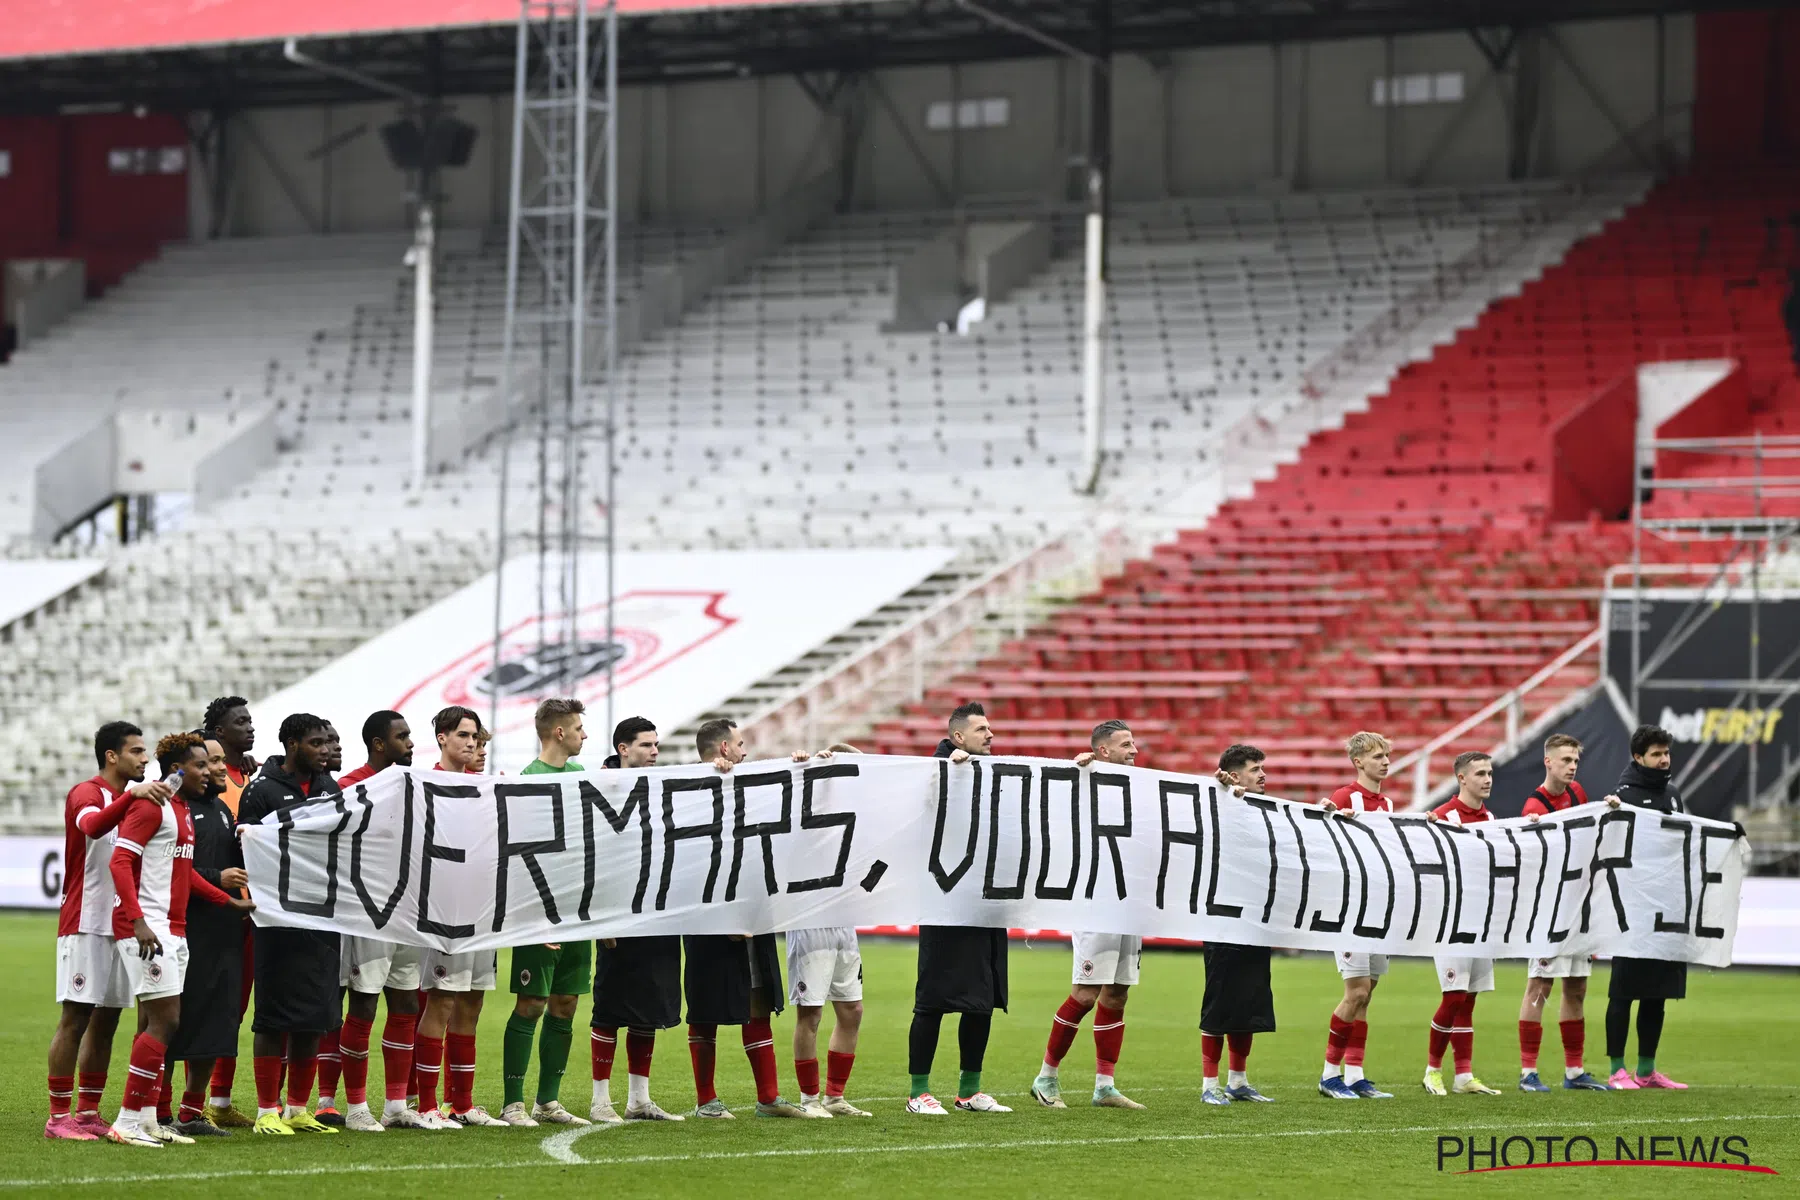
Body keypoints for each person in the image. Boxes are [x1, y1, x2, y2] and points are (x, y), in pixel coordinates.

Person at [106, 733, 252, 1147]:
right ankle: (127, 1121)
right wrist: (136, 920)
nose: (209, 772)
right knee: (166, 1020)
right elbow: (121, 861)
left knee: (163, 1021)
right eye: (201, 765)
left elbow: (183, 874)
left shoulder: (182, 809)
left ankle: (149, 1119)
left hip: (173, 927)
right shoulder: (152, 807)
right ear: (176, 770)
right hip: (148, 927)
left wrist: (228, 902)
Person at [47, 722, 174, 1141]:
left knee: (107, 1020)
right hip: (85, 921)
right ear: (111, 756)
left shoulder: (133, 799)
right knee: (75, 1017)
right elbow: (91, 827)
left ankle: (86, 1112)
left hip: (121, 925)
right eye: (137, 752)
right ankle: (58, 1117)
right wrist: (132, 797)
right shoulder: (89, 792)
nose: (145, 759)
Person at [686, 719, 814, 1119]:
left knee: (758, 1000)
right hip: (708, 921)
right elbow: (688, 862)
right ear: (723, 748)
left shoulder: (749, 787)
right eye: (740, 745)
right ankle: (706, 1101)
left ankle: (768, 1098)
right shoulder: (691, 790)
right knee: (706, 1008)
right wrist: (723, 915)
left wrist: (801, 767)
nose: (745, 752)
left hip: (753, 916)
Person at [326, 712, 443, 1131]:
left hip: (410, 911)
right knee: (364, 1002)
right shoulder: (350, 786)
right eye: (402, 736)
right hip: (369, 911)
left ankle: (396, 1105)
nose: (411, 743)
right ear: (379, 744)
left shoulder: (418, 786)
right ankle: (357, 1107)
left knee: (407, 1001)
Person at [238, 713, 345, 1135]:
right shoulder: (261, 791)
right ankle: (267, 1109)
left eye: (326, 743)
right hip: (275, 918)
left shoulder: (328, 788)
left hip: (321, 914)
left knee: (315, 1016)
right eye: (316, 743)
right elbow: (244, 846)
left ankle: (297, 1108)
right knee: (272, 1015)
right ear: (291, 744)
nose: (325, 750)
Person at [1031, 719, 1145, 1111]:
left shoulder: (1142, 787)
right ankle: (1046, 1076)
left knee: (1117, 994)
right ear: (1103, 751)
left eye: (1134, 743)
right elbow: (1052, 804)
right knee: (1086, 991)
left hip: (1130, 902)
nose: (1134, 750)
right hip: (1094, 900)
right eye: (1125, 744)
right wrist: (1073, 773)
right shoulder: (1084, 780)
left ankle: (1104, 1086)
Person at [909, 702, 1010, 1115]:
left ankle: (969, 1090)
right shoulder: (934, 771)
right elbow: (917, 802)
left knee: (981, 999)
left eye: (991, 728)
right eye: (982, 729)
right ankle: (918, 1092)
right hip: (943, 901)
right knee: (932, 1001)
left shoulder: (992, 773)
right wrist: (946, 768)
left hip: (984, 902)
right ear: (957, 738)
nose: (991, 735)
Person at [500, 698, 594, 1128]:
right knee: (532, 1002)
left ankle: (548, 1102)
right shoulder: (527, 782)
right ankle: (513, 1103)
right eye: (578, 728)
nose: (583, 735)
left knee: (566, 1004)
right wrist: (537, 916)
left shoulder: (582, 778)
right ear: (559, 732)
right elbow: (520, 856)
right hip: (540, 914)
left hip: (579, 912)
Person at [589, 716, 684, 1124]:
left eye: (656, 745)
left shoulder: (660, 788)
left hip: (657, 912)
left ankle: (639, 1100)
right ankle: (599, 1100)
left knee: (650, 1008)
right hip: (616, 915)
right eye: (646, 745)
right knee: (609, 1009)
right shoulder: (596, 789)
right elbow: (588, 854)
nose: (654, 753)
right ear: (622, 749)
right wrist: (599, 918)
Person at [414, 706, 506, 1126]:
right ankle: (428, 1106)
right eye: (464, 735)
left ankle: (462, 1104)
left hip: (482, 911)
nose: (472, 743)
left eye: (476, 737)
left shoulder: (486, 788)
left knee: (471, 1005)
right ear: (442, 738)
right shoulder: (423, 784)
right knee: (441, 1002)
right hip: (443, 912)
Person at [1516, 733, 1619, 1093]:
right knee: (1539, 986)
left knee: (1577, 988)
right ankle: (1528, 1072)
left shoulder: (1580, 797)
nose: (1572, 767)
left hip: (1580, 906)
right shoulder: (1535, 805)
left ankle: (1574, 1071)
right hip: (1549, 911)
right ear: (1548, 762)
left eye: (1575, 761)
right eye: (1565, 761)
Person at [161, 736, 251, 1138]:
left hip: (226, 931)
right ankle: (157, 1109)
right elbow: (174, 869)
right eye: (210, 762)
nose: (218, 768)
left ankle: (191, 1112)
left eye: (219, 761)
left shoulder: (219, 809)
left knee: (219, 1022)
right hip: (186, 928)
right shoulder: (172, 811)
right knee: (171, 1023)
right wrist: (218, 879)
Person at [786, 741, 874, 1118]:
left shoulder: (863, 818)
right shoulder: (810, 806)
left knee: (852, 1010)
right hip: (810, 919)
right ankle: (809, 1099)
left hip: (844, 921)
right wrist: (805, 770)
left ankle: (835, 1097)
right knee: (811, 1013)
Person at [1604, 725, 1690, 1091]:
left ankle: (1647, 1068)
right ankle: (1617, 1068)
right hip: (1633, 909)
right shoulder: (1621, 798)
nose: (1664, 759)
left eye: (1666, 753)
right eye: (1656, 754)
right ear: (1638, 758)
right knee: (1623, 990)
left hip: (1665, 909)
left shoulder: (1672, 795)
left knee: (1658, 992)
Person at [1315, 731, 1397, 1099]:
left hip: (1378, 908)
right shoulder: (1344, 797)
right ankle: (1329, 1074)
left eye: (1387, 756)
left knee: (1367, 995)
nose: (1385, 762)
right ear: (1358, 761)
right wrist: (1330, 817)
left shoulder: (1387, 803)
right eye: (1378, 756)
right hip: (1349, 908)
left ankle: (1355, 1074)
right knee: (1356, 991)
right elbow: (1325, 838)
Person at [1195, 744, 1278, 1106]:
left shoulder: (1265, 810)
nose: (1263, 775)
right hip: (1221, 920)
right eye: (1255, 768)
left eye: (1263, 768)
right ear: (1235, 774)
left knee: (1250, 1001)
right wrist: (1221, 789)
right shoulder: (1218, 802)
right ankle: (1209, 1084)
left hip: (1256, 917)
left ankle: (1238, 1081)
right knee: (1219, 1002)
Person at [1421, 752, 1501, 1097]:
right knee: (1453, 997)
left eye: (1490, 773)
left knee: (1469, 999)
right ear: (1461, 778)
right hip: (1450, 920)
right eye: (1480, 773)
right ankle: (1432, 1071)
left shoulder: (1491, 818)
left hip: (1480, 919)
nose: (1487, 779)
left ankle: (1463, 1075)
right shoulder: (1442, 816)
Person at [201, 695, 258, 1123]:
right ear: (219, 733)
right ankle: (180, 1100)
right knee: (209, 1002)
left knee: (237, 1005)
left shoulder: (252, 775)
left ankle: (219, 1099)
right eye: (241, 722)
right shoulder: (209, 782)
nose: (250, 728)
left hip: (253, 902)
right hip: (215, 903)